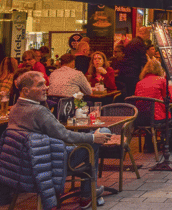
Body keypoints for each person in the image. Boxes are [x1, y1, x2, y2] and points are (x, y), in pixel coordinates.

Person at [9, 71, 110, 209]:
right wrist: (93, 137)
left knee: (92, 143)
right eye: (40, 85)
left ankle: (91, 192)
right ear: (26, 91)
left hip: (26, 163)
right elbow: (65, 135)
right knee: (101, 134)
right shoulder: (38, 111)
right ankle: (88, 193)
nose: (46, 88)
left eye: (45, 83)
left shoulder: (15, 109)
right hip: (51, 162)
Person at [117, 27, 149, 98]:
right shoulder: (140, 43)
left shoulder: (132, 42)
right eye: (148, 35)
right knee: (133, 95)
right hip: (132, 74)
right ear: (145, 34)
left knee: (127, 95)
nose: (148, 37)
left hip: (125, 73)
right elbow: (144, 61)